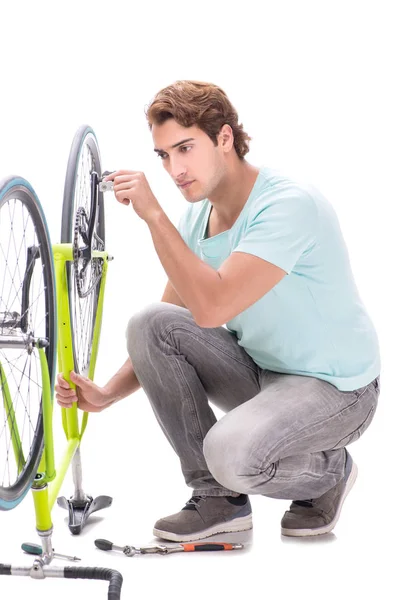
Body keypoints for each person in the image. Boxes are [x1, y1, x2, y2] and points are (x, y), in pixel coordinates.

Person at [56, 80, 381, 541]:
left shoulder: (287, 206)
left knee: (229, 454)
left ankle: (330, 472)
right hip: (266, 374)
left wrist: (153, 215)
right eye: (164, 155)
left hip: (338, 388)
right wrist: (108, 394)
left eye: (185, 148)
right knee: (151, 322)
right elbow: (169, 324)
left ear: (224, 138)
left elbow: (212, 307)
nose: (175, 168)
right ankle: (218, 503)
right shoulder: (197, 220)